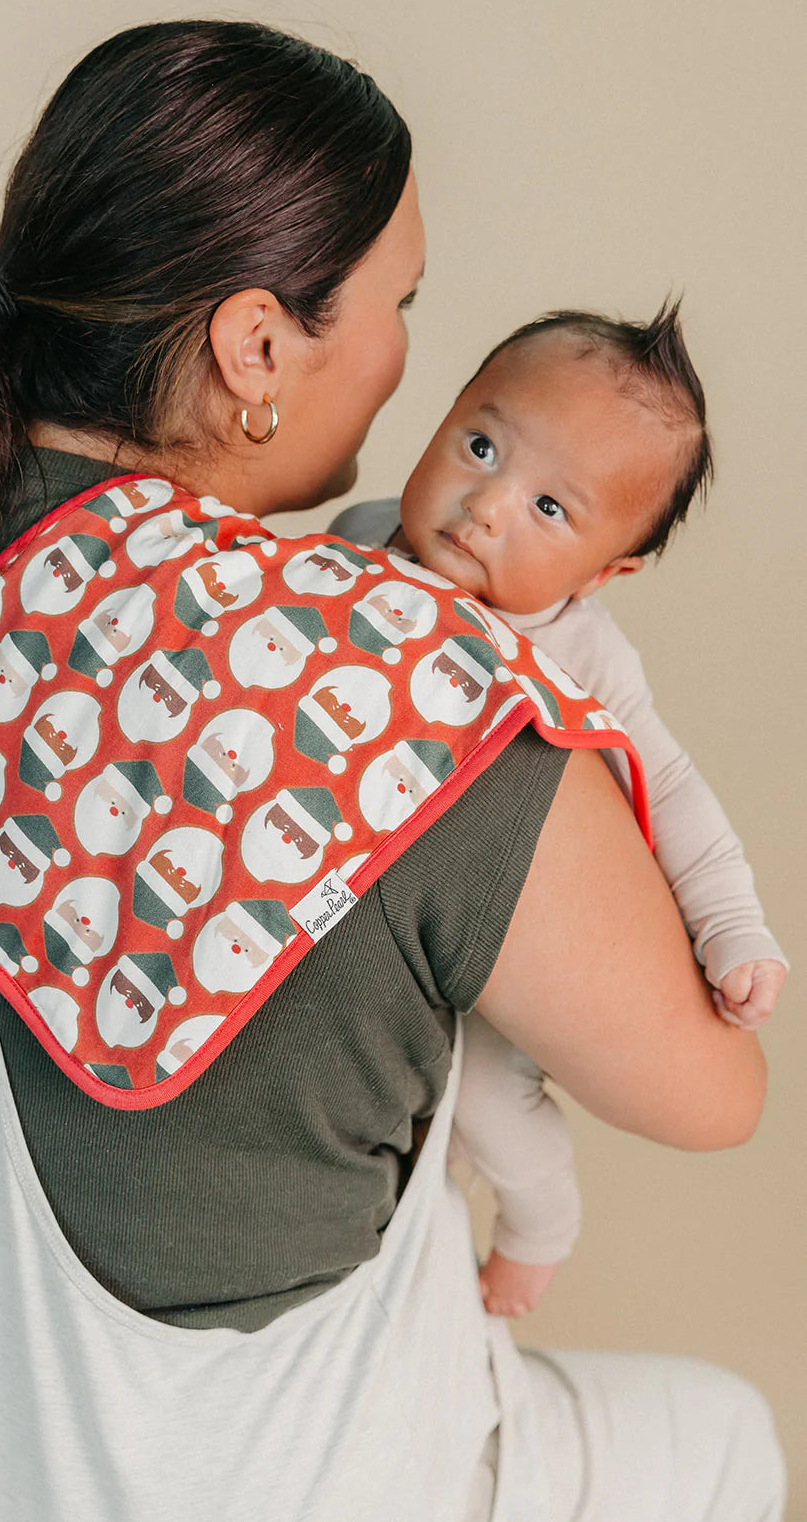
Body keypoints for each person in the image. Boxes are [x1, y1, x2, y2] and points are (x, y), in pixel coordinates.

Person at [0, 20, 784, 1521]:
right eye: (399, 301)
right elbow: (712, 1094)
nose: (411, 357)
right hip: (218, 1477)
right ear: (253, 348)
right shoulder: (405, 695)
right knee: (722, 1436)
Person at [333, 300, 789, 1320]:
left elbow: (670, 791)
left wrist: (729, 930)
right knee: (409, 1103)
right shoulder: (362, 535)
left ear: (604, 571)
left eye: (549, 509)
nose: (485, 504)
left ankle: (537, 1237)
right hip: (396, 919)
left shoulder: (582, 654)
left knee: (492, 1100)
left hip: (528, 938)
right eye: (481, 443)